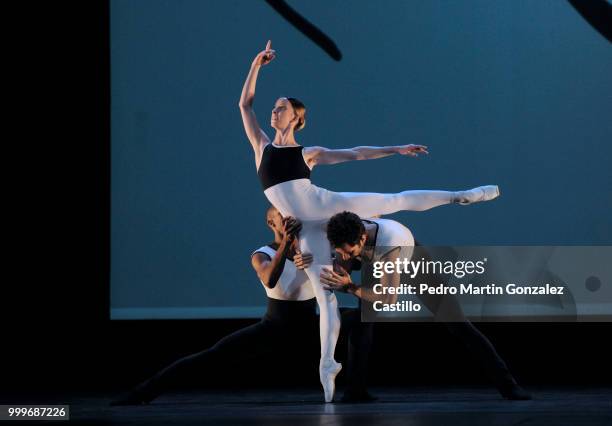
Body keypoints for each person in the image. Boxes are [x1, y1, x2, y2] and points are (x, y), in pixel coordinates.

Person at [239, 40, 501, 401]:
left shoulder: (307, 153)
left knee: (393, 201)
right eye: (274, 107)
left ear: (297, 118)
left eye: (281, 108)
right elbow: (245, 104)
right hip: (311, 228)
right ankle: (328, 366)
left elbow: (355, 154)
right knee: (325, 293)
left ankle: (462, 195)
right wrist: (256, 65)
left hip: (326, 206)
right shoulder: (261, 147)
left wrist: (395, 149)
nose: (274, 111)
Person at [110, 207, 372, 405]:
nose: (291, 221)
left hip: (310, 325)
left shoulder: (311, 250)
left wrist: (326, 263)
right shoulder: (263, 254)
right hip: (275, 326)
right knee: (211, 356)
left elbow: (344, 266)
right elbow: (270, 277)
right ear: (272, 223)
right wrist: (286, 246)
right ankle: (140, 393)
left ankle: (356, 391)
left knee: (362, 317)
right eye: (284, 217)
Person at [320, 211, 532, 400]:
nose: (343, 256)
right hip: (370, 258)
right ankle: (355, 391)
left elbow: (388, 299)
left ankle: (509, 387)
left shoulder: (389, 247)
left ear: (362, 238)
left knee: (457, 322)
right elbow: (346, 252)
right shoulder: (344, 228)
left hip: (412, 261)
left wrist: (349, 287)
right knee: (361, 321)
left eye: (348, 251)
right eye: (340, 251)